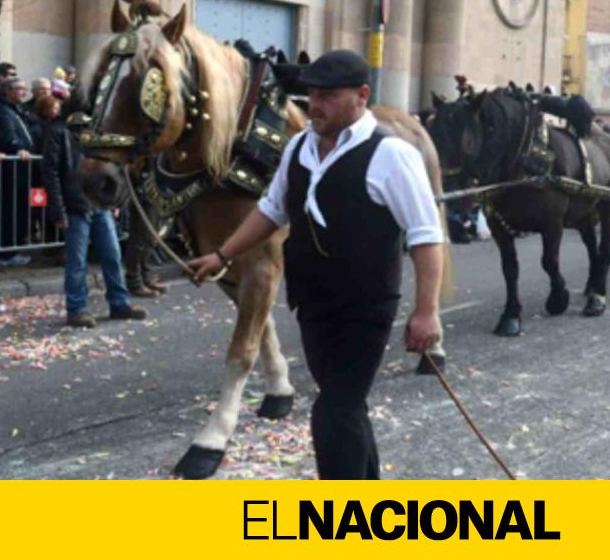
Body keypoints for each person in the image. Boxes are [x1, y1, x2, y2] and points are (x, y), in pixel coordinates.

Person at [187, 50, 444, 479]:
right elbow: (271, 211)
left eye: (327, 95)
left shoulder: (391, 154)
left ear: (361, 96)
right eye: (310, 94)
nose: (314, 104)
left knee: (332, 412)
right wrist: (223, 254)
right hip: (312, 303)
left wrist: (426, 311)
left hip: (365, 306)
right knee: (345, 404)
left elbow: (425, 236)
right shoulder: (298, 148)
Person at [41, 95, 147, 328]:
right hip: (77, 206)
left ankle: (119, 303)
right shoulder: (59, 132)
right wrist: (58, 210)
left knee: (111, 255)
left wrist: (116, 200)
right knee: (78, 260)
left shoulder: (96, 132)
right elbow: (51, 173)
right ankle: (77, 308)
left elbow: (114, 167)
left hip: (99, 204)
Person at [0, 77, 36, 266]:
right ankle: (7, 252)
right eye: (19, 89)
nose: (23, 92)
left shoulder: (20, 111)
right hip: (13, 169)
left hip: (24, 169)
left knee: (22, 209)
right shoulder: (4, 111)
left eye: (25, 89)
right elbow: (9, 135)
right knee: (12, 210)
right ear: (7, 91)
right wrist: (18, 148)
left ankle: (16, 247)